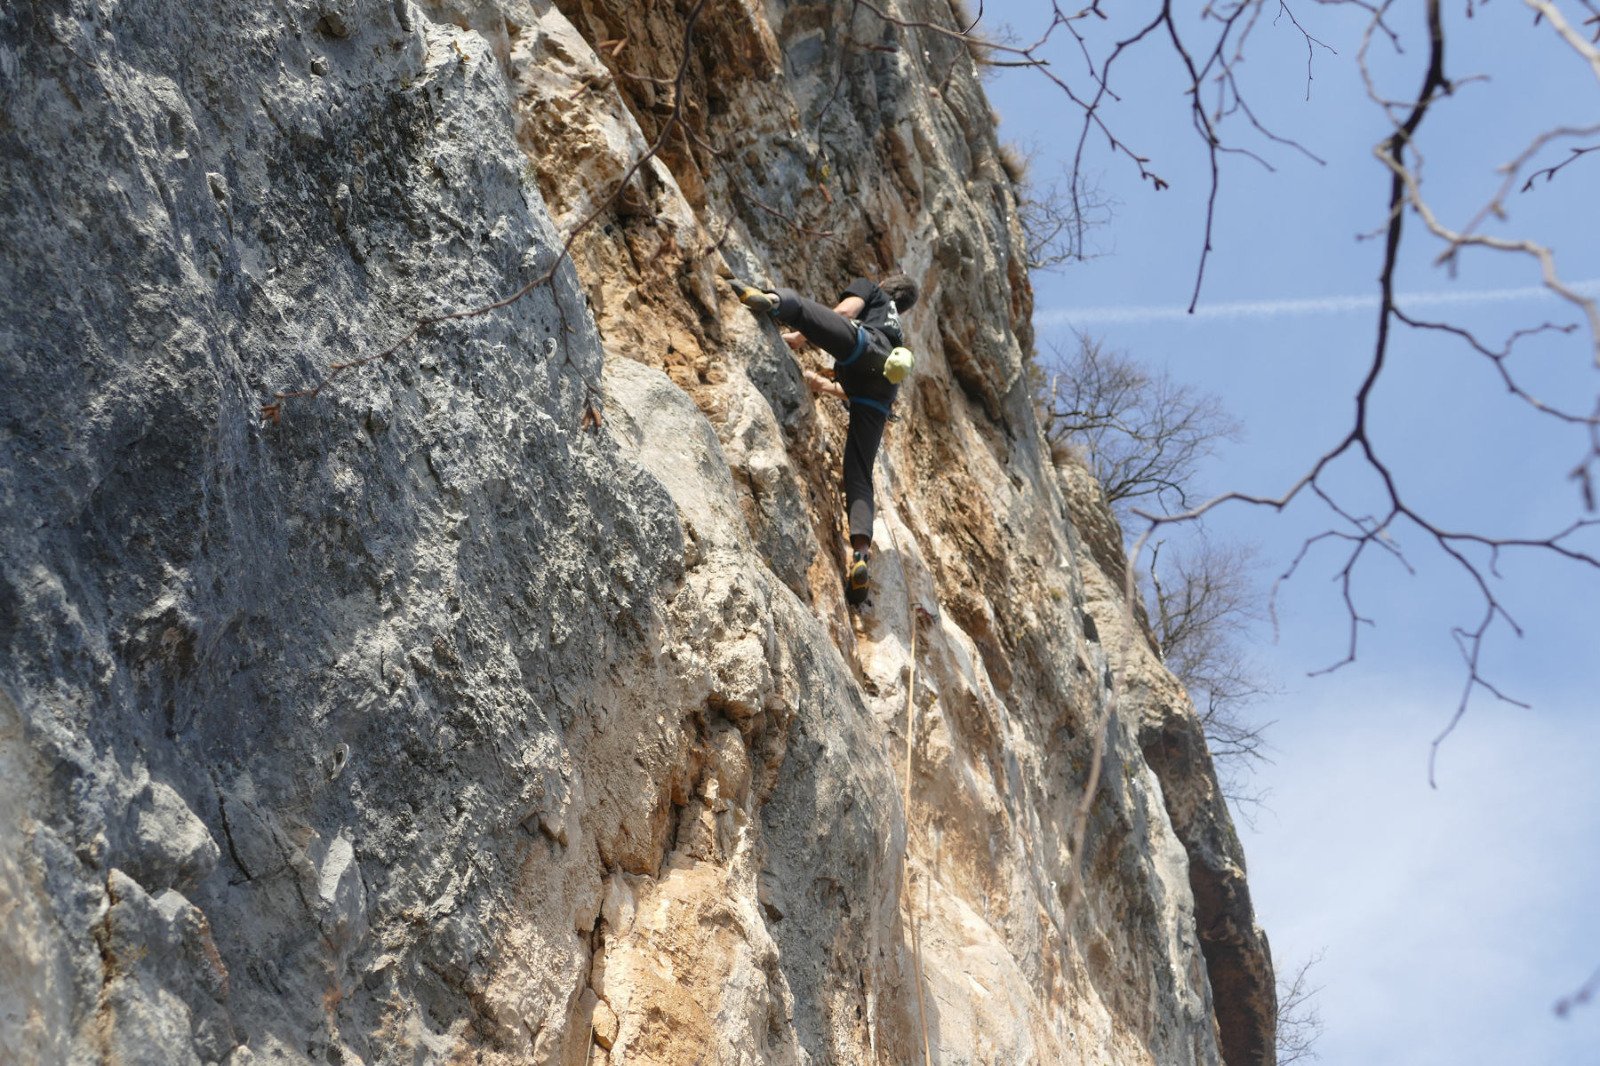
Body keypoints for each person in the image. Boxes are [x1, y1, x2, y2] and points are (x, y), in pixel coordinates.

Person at [735, 273, 919, 605]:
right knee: (859, 471)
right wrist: (820, 385)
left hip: (864, 345)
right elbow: (860, 383)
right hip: (883, 389)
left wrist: (800, 335)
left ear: (886, 284)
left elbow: (846, 313)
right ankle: (861, 554)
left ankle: (773, 301)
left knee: (803, 307)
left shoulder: (873, 293)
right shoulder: (898, 334)